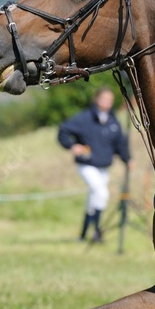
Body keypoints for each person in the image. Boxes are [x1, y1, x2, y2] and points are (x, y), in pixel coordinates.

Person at [58, 86, 131, 242]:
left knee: (94, 199)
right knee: (101, 193)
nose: (106, 102)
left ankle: (83, 235)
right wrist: (72, 146)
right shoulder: (84, 119)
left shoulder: (113, 121)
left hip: (104, 166)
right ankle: (97, 232)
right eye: (104, 99)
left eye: (109, 100)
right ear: (96, 99)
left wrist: (127, 159)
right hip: (87, 165)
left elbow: (120, 143)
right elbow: (63, 130)